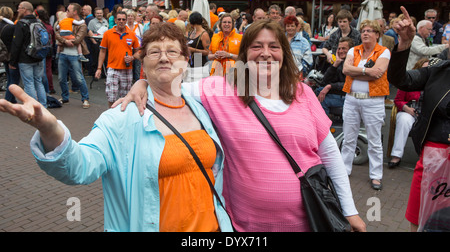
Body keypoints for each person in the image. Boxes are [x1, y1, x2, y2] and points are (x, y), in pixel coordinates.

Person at [116, 19, 367, 232]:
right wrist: (143, 85)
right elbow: (169, 86)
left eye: (273, 46)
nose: (266, 53)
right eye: (257, 46)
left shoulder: (303, 93)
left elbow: (330, 154)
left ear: (284, 53)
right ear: (244, 54)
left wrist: (350, 210)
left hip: (310, 221)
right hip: (245, 227)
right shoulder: (221, 90)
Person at [0, 22, 233, 232]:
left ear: (185, 59)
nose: (164, 58)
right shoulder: (120, 118)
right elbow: (79, 167)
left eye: (172, 51)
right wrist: (50, 130)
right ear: (142, 60)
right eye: (154, 52)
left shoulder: (200, 106)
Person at [388, 6, 449, 232]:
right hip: (431, 161)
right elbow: (400, 79)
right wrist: (403, 45)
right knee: (420, 221)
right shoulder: (438, 68)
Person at [341, 19, 391, 191]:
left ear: (377, 34)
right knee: (348, 137)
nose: (365, 33)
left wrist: (357, 72)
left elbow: (378, 74)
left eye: (370, 30)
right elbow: (345, 70)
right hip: (352, 99)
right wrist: (366, 71)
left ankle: (376, 176)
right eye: (363, 30)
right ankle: (343, 170)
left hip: (373, 101)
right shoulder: (353, 50)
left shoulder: (384, 51)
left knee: (374, 140)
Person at [389, 58, 429, 169]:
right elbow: (398, 100)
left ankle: (426, 158)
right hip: (410, 110)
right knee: (404, 120)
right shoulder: (410, 81)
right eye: (423, 69)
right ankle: (397, 155)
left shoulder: (433, 84)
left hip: (426, 113)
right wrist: (406, 108)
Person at [95, 11, 140, 108]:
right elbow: (102, 51)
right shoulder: (108, 33)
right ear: (115, 20)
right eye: (119, 19)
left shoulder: (131, 34)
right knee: (111, 96)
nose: (121, 21)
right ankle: (111, 115)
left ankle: (122, 117)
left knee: (125, 97)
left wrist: (132, 57)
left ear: (126, 20)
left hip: (127, 70)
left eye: (124, 19)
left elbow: (138, 52)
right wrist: (99, 68)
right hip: (112, 68)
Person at [9, 1, 47, 108]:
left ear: (25, 9)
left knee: (29, 83)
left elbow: (16, 44)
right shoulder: (39, 22)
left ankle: (33, 107)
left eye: (19, 8)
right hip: (39, 57)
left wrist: (12, 62)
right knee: (38, 82)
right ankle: (43, 106)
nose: (18, 10)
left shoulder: (21, 23)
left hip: (25, 59)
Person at [54, 3, 90, 109]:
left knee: (79, 78)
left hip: (75, 55)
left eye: (68, 10)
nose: (66, 12)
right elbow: (56, 33)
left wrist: (63, 40)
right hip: (63, 53)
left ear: (74, 12)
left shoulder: (82, 25)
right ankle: (65, 98)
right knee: (61, 78)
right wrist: (66, 40)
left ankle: (85, 99)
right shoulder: (64, 21)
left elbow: (78, 39)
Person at [317, 37, 353, 115]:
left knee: (322, 100)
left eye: (344, 48)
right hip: (338, 93)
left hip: (348, 97)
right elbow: (324, 82)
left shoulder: (353, 63)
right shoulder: (339, 62)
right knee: (316, 92)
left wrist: (330, 86)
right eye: (339, 48)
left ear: (350, 50)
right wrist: (335, 65)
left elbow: (349, 84)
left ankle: (324, 126)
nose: (340, 51)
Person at [0, 6, 19, 103]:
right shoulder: (11, 27)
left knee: (9, 77)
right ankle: (8, 100)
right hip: (11, 56)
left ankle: (11, 99)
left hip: (2, 55)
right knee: (13, 79)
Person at [35, 9, 56, 94]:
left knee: (42, 71)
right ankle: (50, 87)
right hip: (49, 49)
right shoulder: (49, 26)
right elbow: (53, 38)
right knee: (48, 69)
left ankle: (46, 88)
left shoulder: (39, 26)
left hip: (41, 50)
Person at [126, 10, 144, 83]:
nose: (130, 17)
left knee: (137, 65)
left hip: (137, 48)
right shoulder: (124, 26)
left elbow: (142, 36)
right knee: (128, 64)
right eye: (128, 16)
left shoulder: (139, 26)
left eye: (132, 16)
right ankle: (128, 80)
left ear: (134, 17)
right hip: (127, 48)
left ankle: (137, 81)